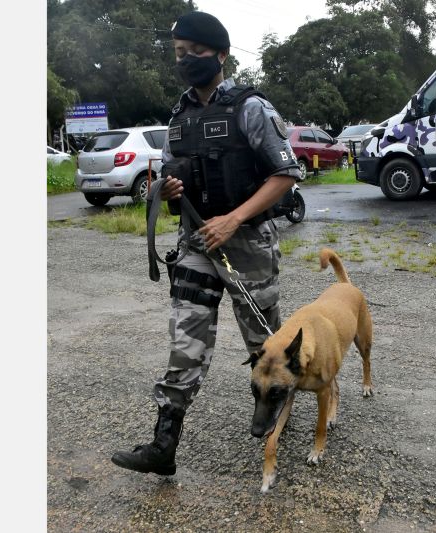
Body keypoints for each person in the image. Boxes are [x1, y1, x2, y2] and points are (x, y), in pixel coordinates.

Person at [111, 10, 301, 475]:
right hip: (198, 244)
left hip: (248, 246)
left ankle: (280, 412)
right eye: (180, 54)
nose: (187, 61)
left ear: (221, 54)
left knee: (266, 346)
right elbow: (172, 174)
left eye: (196, 52)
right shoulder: (179, 115)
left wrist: (234, 219)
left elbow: (286, 174)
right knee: (185, 343)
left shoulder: (250, 108)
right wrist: (171, 190)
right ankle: (164, 445)